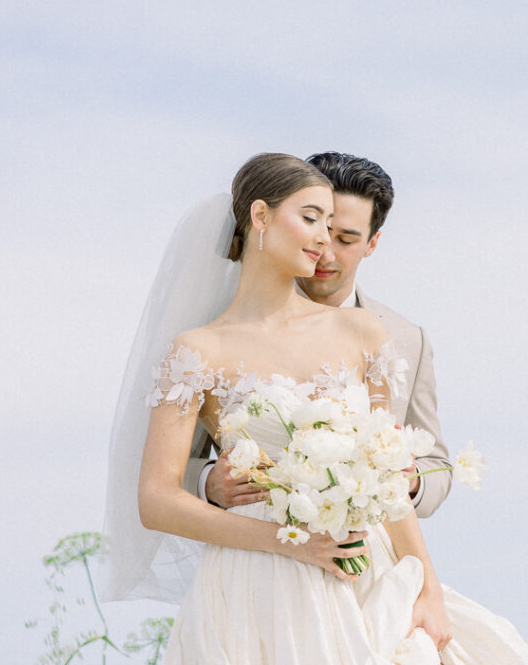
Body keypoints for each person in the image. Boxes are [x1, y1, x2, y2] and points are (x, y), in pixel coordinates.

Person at [103, 152, 527, 664]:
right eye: (311, 220)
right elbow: (156, 500)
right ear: (260, 217)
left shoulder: (365, 333)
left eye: (334, 227)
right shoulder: (198, 351)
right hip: (252, 583)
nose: (325, 239)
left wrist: (427, 587)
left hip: (363, 571)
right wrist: (284, 542)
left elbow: (386, 476)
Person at [188, 153, 450, 530]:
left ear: (372, 243)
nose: (325, 251)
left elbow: (438, 466)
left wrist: (405, 479)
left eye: (345, 238)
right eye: (318, 227)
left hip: (372, 552)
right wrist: (209, 482)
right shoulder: (220, 332)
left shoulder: (408, 338)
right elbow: (165, 467)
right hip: (262, 549)